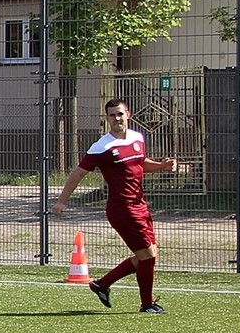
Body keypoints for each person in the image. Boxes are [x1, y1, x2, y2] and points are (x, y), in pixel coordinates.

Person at [50, 97, 181, 314]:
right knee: (147, 256)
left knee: (148, 256)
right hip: (122, 208)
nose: (117, 118)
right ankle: (147, 304)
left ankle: (102, 284)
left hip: (140, 205)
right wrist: (62, 201)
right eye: (112, 115)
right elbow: (78, 173)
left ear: (128, 114)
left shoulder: (137, 138)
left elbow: (140, 163)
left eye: (120, 114)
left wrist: (161, 166)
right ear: (107, 119)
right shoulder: (102, 146)